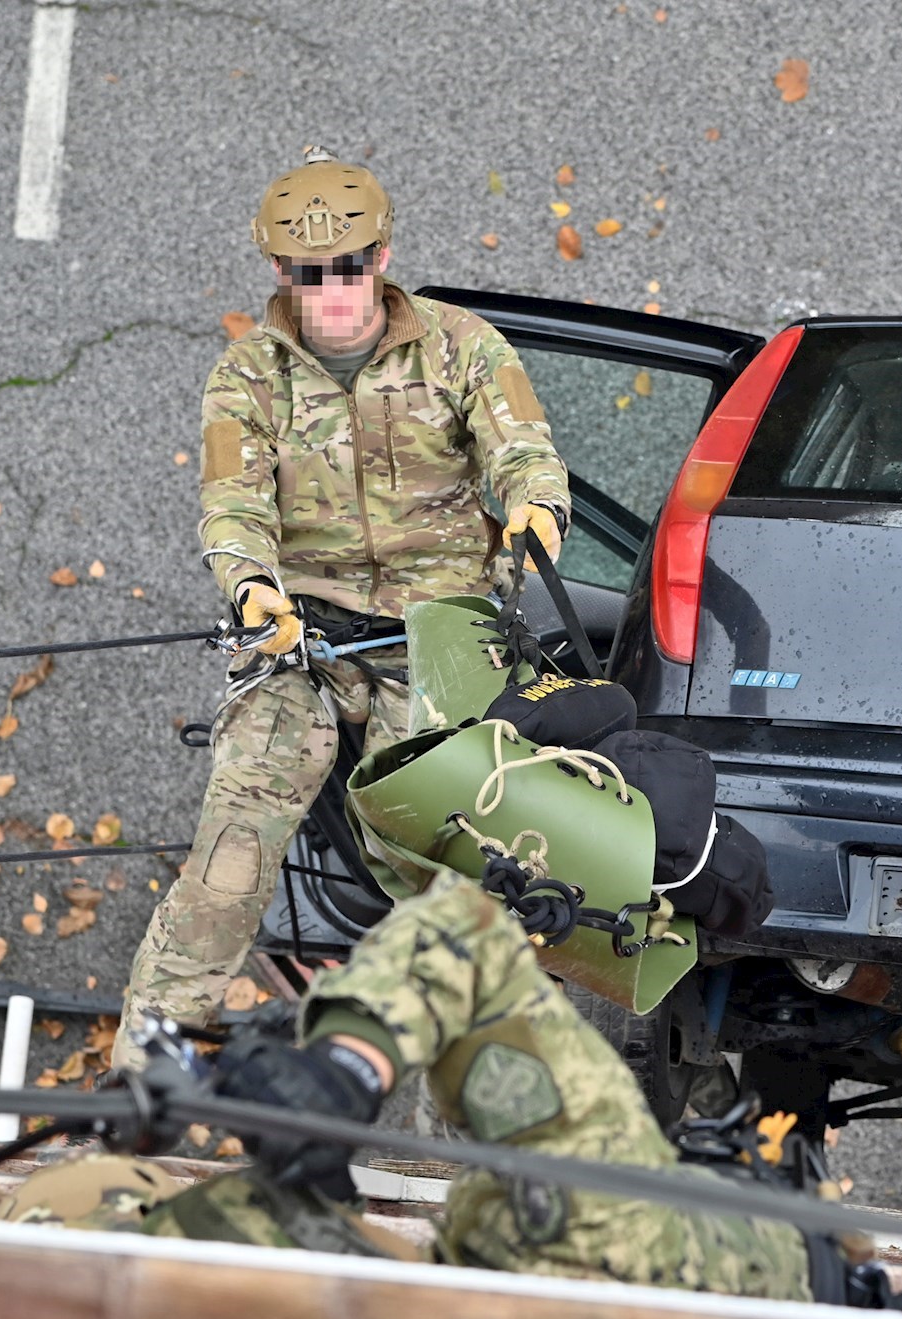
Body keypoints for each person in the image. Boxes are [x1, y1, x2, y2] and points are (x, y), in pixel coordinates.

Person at [116, 147, 571, 1069]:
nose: (331, 291)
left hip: (439, 631)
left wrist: (537, 508)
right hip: (304, 636)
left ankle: (485, 1090)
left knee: (443, 869)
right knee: (229, 862)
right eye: (308, 272)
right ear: (277, 270)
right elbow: (233, 505)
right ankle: (139, 1082)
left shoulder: (461, 345)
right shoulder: (247, 375)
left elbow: (522, 448)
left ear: (384, 254)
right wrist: (253, 588)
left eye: (350, 266)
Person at [8, 867, 822, 1300]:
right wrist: (342, 1071)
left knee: (78, 1211)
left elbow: (462, 935)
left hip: (553, 1269)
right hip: (596, 1266)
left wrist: (337, 1084)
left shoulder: (576, 1229)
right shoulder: (593, 1226)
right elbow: (462, 936)